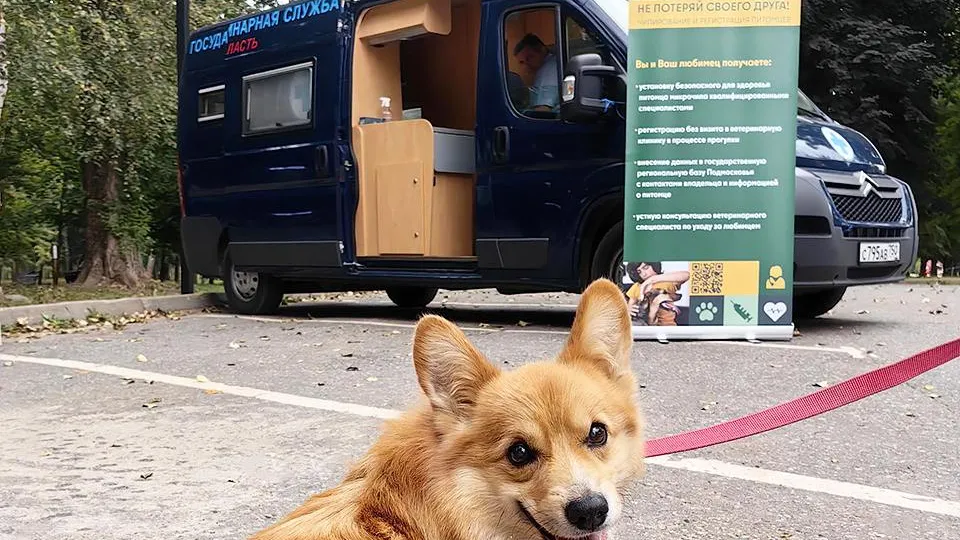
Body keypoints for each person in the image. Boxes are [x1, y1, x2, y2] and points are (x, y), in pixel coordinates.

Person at [623, 262, 690, 326]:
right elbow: (630, 308)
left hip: (667, 326)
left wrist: (652, 279)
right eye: (639, 272)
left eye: (646, 268)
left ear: (654, 265)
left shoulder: (667, 281)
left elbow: (687, 275)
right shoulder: (637, 287)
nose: (644, 274)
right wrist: (628, 309)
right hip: (645, 327)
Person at [512, 33, 559, 112]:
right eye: (522, 62)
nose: (527, 64)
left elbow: (543, 110)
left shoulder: (549, 70)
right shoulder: (547, 65)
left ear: (542, 50)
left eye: (529, 57)